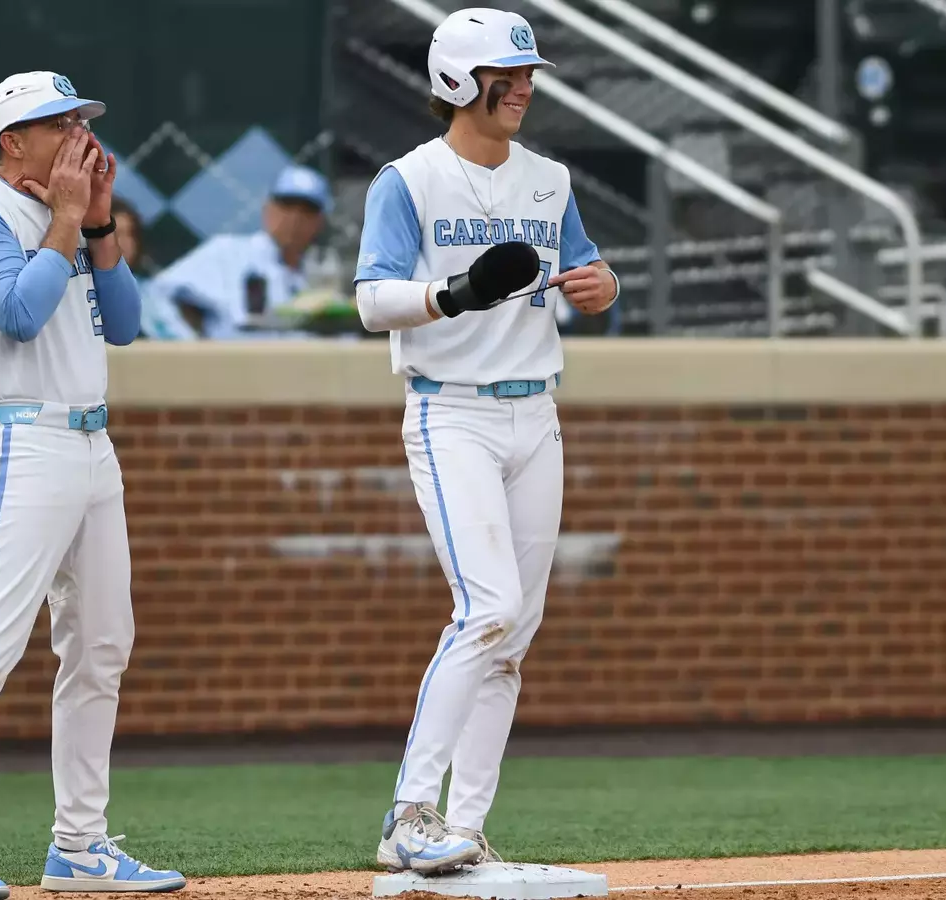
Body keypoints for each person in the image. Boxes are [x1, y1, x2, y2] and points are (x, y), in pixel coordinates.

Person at [0, 70, 187, 899]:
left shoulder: (76, 217)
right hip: (18, 443)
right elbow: (17, 313)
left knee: (102, 646)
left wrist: (97, 227)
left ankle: (80, 844)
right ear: (11, 143)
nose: (77, 136)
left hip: (93, 447)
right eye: (56, 123)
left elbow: (125, 327)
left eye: (79, 120)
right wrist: (66, 218)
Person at [351, 9, 618, 876]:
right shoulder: (408, 179)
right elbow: (371, 299)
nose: (527, 87)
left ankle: (461, 830)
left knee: (515, 631)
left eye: (530, 73)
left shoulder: (549, 178)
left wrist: (600, 284)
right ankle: (409, 814)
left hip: (534, 412)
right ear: (461, 82)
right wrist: (456, 293)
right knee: (488, 607)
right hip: (449, 410)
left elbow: (588, 270)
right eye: (511, 74)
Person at [144, 164, 332, 339]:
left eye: (307, 210)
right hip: (233, 368)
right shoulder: (228, 253)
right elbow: (157, 296)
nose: (294, 219)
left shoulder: (326, 272)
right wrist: (190, 350)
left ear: (320, 221)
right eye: (287, 205)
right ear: (268, 208)